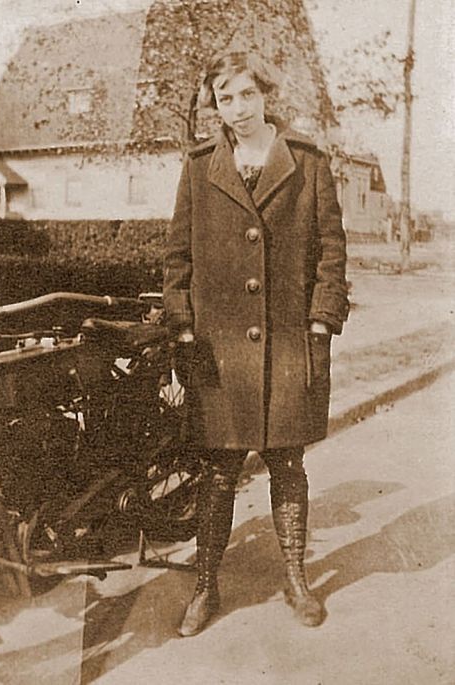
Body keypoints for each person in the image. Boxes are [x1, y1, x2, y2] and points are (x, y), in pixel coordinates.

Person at [163, 51, 349, 637]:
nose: (236, 109)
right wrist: (183, 325)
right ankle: (204, 587)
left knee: (286, 464)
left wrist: (320, 322)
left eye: (246, 94)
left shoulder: (307, 162)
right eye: (224, 97)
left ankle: (296, 579)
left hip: (290, 345)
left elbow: (332, 251)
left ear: (265, 94)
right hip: (219, 352)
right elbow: (177, 258)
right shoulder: (199, 166)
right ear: (213, 103)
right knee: (217, 470)